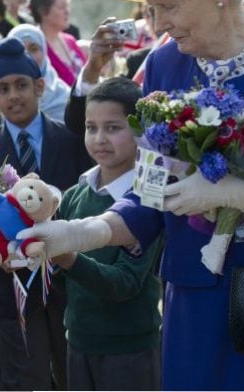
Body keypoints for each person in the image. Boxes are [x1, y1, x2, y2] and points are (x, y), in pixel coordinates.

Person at [22, 0, 244, 390]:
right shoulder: (165, 63)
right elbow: (150, 191)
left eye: (169, 7)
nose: (158, 24)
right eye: (151, 9)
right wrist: (77, 234)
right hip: (192, 295)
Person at [0, 36, 90, 391]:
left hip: (67, 277)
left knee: (71, 371)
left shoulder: (71, 139)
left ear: (40, 86)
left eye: (22, 85)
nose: (14, 95)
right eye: (4, 88)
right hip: (10, 283)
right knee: (24, 377)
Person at [53, 77, 162, 390]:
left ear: (140, 131)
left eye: (113, 128)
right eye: (91, 127)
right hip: (78, 340)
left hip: (130, 348)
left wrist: (67, 256)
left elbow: (124, 283)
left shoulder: (147, 200)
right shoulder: (74, 195)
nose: (99, 138)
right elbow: (58, 276)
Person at [30, 0, 87, 86]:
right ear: (43, 11)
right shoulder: (36, 46)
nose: (67, 11)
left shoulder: (70, 40)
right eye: (61, 7)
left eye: (67, 6)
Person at [7, 23, 71, 122]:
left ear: (44, 52)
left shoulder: (64, 97)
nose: (27, 56)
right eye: (20, 50)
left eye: (34, 49)